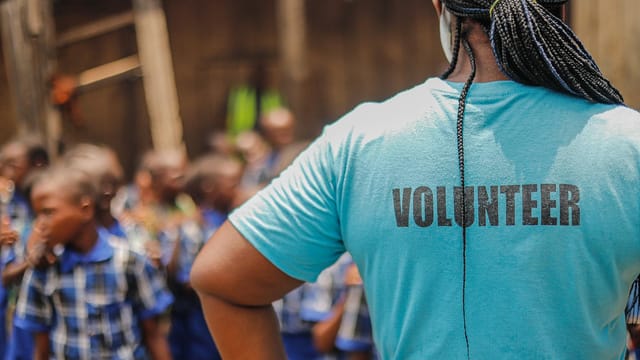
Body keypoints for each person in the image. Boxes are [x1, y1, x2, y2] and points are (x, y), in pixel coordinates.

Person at [191, 0, 640, 358]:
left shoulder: (359, 142)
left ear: (439, 7)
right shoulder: (628, 142)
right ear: (563, 9)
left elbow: (222, 280)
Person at [14, 164, 173, 360]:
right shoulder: (43, 271)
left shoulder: (129, 261)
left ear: (86, 210)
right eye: (37, 215)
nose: (40, 225)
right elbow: (41, 349)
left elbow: (154, 335)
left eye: (48, 212)